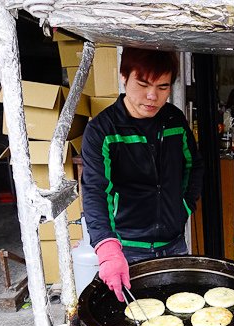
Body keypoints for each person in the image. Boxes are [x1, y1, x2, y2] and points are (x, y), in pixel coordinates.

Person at [81, 48, 204, 302]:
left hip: (174, 245)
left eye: (163, 87)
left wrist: (183, 207)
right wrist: (107, 247)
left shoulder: (174, 121)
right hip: (129, 250)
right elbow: (95, 190)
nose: (152, 96)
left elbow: (194, 166)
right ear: (124, 76)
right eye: (143, 84)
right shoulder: (102, 130)